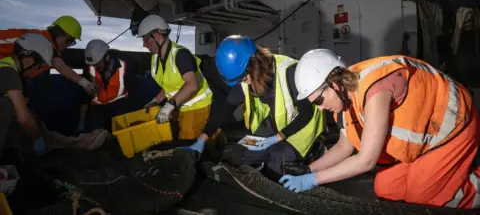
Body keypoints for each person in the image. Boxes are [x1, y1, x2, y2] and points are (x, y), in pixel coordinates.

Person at [280, 48, 480, 209]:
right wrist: (308, 168)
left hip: (454, 128)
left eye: (319, 100)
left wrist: (312, 180)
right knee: (385, 187)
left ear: (334, 84)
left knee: (424, 201)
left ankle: (474, 187)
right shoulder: (346, 100)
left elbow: (366, 161)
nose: (321, 108)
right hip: (425, 141)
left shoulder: (375, 90)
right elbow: (343, 147)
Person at [186, 35, 326, 174]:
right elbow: (225, 108)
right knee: (237, 156)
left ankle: (315, 150)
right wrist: (202, 139)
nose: (243, 83)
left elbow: (307, 114)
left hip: (302, 128)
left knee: (276, 164)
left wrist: (277, 138)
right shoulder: (246, 79)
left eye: (243, 78)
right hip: (275, 124)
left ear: (254, 65)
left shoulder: (290, 73)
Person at [137, 14, 212, 140]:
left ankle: (216, 136)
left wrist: (169, 106)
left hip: (197, 106)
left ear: (157, 36)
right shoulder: (156, 59)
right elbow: (169, 86)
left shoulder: (180, 55)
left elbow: (191, 85)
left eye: (146, 39)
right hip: (180, 105)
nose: (144, 45)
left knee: (187, 143)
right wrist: (156, 100)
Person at [0, 16, 97, 96]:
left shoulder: (42, 42)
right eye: (70, 41)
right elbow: (61, 67)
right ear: (60, 35)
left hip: (7, 72)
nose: (68, 45)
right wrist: (86, 84)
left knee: (27, 87)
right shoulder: (44, 43)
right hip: (4, 71)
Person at [0, 33, 55, 158]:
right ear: (30, 60)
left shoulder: (3, 64)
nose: (37, 70)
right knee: (8, 105)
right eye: (39, 66)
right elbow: (24, 119)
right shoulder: (9, 72)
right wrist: (38, 138)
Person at [77, 39, 135, 133]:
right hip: (98, 106)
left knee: (121, 132)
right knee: (94, 134)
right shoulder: (88, 69)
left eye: (97, 64)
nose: (95, 67)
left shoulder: (125, 67)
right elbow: (84, 98)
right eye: (93, 64)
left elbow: (133, 92)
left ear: (106, 57)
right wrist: (81, 123)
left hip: (119, 104)